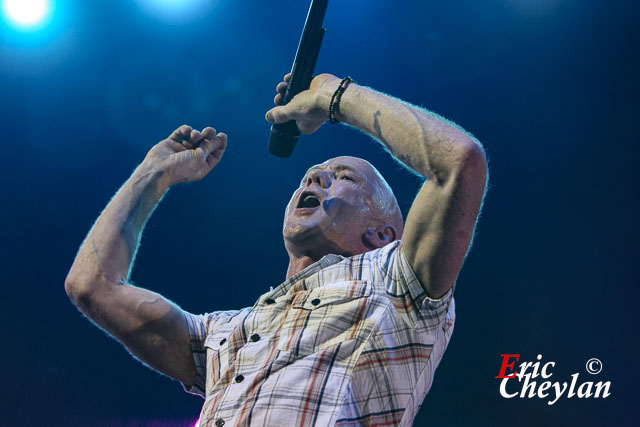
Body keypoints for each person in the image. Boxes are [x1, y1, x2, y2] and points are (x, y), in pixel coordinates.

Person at [65, 72, 487, 426]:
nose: (313, 180)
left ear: (381, 234)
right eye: (310, 174)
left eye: (342, 177)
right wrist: (152, 175)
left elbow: (459, 162)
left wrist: (332, 95)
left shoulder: (396, 282)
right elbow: (92, 285)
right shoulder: (226, 333)